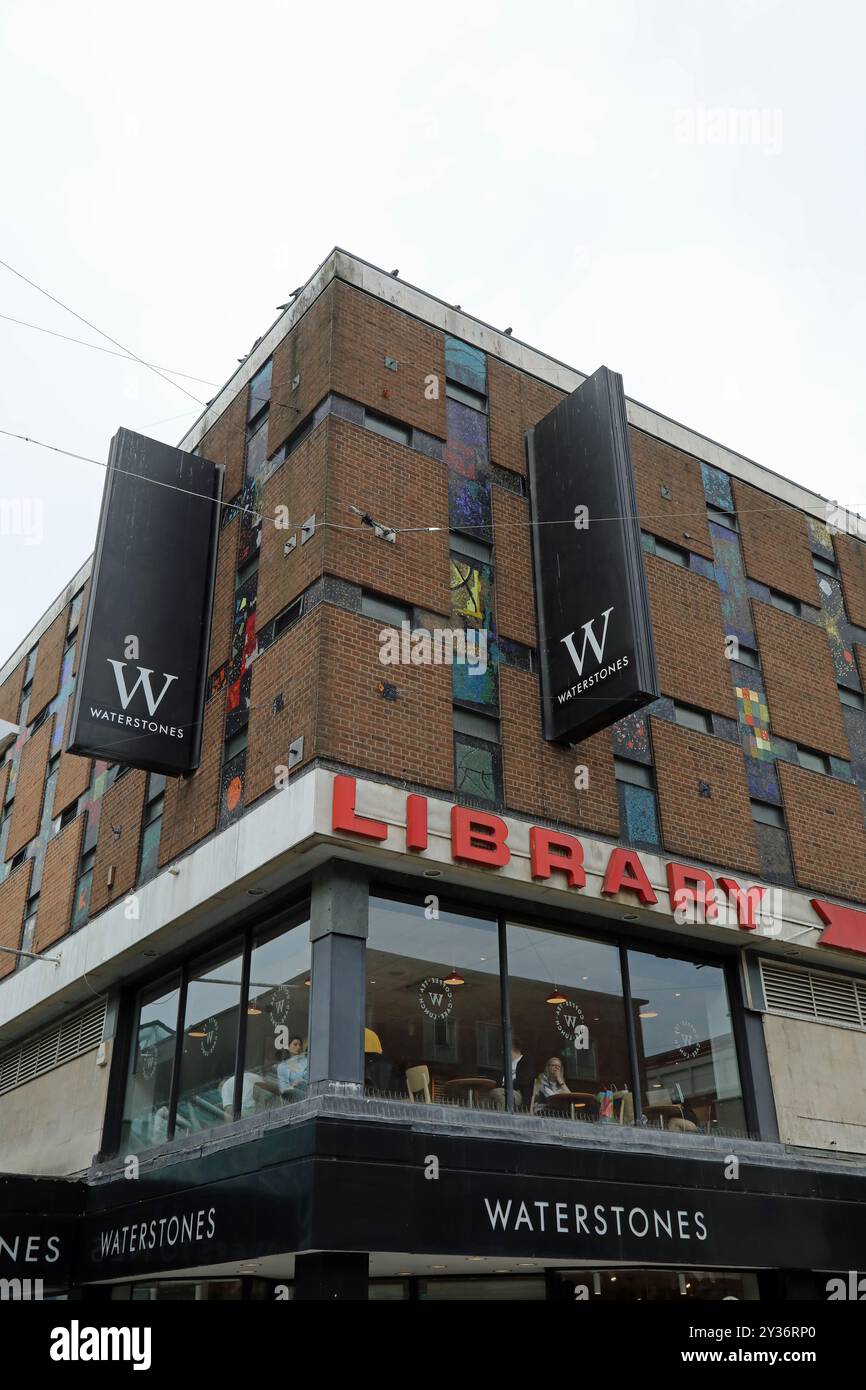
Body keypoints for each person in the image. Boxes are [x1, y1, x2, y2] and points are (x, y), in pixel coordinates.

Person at [489, 1040, 535, 1111]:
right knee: (487, 1097)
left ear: (512, 1048)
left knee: (499, 1095)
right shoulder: (504, 1065)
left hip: (519, 1094)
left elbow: (524, 1080)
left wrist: (505, 1087)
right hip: (501, 1091)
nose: (502, 1052)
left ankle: (503, 1120)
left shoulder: (527, 1062)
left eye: (503, 1049)